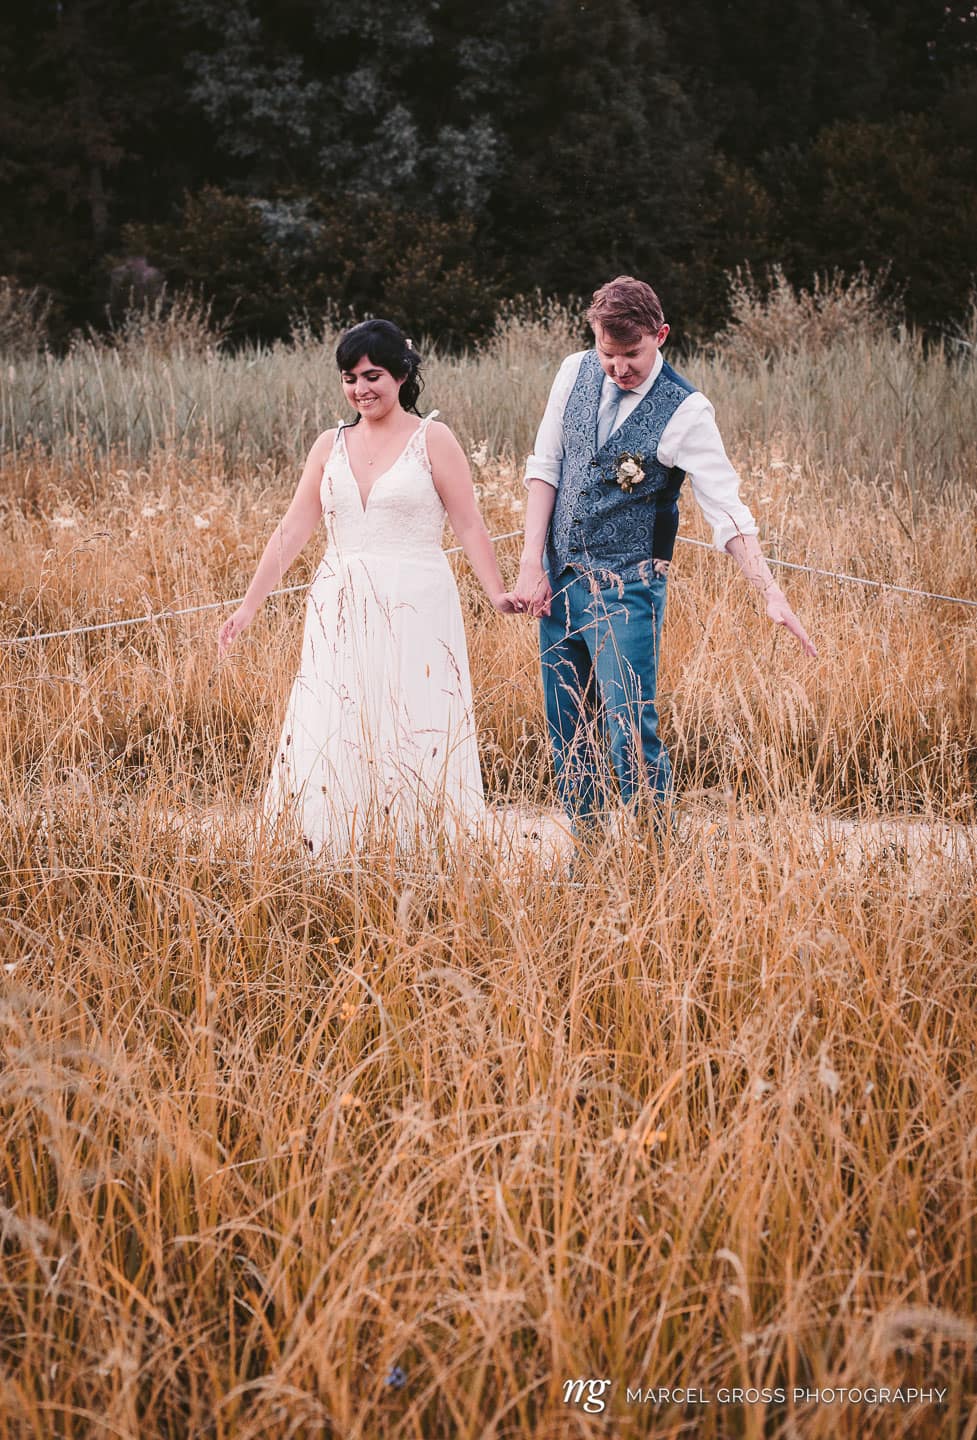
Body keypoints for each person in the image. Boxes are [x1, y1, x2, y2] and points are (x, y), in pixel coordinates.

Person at [512, 275, 816, 832]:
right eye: (608, 353)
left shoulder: (687, 411)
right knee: (568, 729)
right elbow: (546, 465)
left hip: (628, 590)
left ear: (661, 335)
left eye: (631, 354)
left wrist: (769, 591)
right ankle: (589, 854)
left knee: (630, 728)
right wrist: (533, 562)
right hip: (557, 581)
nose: (618, 368)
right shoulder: (572, 372)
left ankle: (653, 855)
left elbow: (726, 509)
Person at [219, 318, 516, 855]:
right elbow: (293, 529)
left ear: (401, 374)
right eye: (349, 378)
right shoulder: (329, 444)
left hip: (415, 600)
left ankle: (418, 843)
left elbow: (469, 523)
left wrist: (496, 592)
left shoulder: (433, 439)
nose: (361, 389)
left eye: (372, 375)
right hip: (338, 597)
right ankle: (329, 842)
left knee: (411, 715)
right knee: (335, 713)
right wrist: (249, 606)